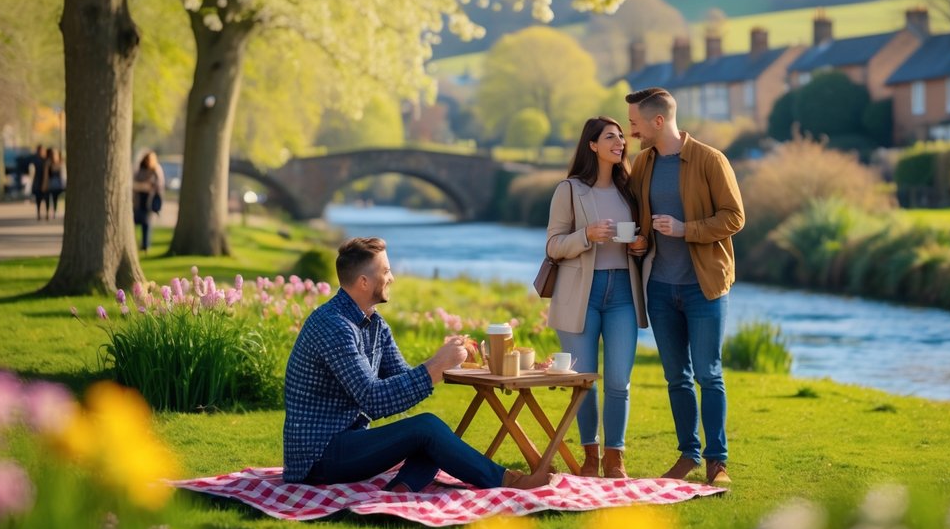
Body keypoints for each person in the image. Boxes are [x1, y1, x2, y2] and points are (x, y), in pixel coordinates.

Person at [282, 236, 553, 492]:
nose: (392, 277)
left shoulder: (375, 324)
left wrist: (450, 363)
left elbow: (404, 379)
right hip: (318, 455)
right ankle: (509, 481)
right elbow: (374, 399)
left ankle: (404, 487)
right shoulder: (334, 326)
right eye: (386, 271)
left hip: (347, 444)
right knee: (427, 428)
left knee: (432, 434)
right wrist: (434, 366)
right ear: (364, 282)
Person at [625, 87, 744, 485]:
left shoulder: (710, 160)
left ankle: (717, 461)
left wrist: (684, 230)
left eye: (635, 123)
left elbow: (734, 217)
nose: (631, 130)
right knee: (676, 377)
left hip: (703, 286)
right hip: (660, 287)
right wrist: (640, 240)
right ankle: (687, 455)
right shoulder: (642, 164)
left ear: (658, 121)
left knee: (708, 375)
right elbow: (640, 216)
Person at [544, 117, 647, 479]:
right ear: (592, 145)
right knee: (584, 379)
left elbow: (641, 244)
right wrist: (586, 234)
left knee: (619, 379)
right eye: (610, 137)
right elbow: (554, 246)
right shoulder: (569, 190)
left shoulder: (630, 189)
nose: (620, 142)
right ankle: (590, 457)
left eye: (621, 137)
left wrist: (639, 246)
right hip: (580, 295)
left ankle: (615, 458)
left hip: (622, 292)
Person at [132, 151, 164, 253]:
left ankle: (145, 246)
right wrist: (143, 186)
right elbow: (135, 183)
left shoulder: (156, 170)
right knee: (135, 221)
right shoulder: (140, 169)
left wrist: (147, 187)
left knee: (147, 223)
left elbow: (158, 185)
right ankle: (135, 244)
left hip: (149, 201)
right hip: (139, 199)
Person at [45, 149, 65, 219]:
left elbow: (61, 175)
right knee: (49, 198)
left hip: (57, 184)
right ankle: (48, 212)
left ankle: (54, 212)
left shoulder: (60, 163)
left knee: (55, 199)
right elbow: (46, 175)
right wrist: (45, 183)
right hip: (51, 183)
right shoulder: (48, 163)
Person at [30, 145, 47, 220]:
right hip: (38, 181)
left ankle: (42, 213)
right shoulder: (39, 160)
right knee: (39, 199)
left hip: (41, 181)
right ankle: (39, 213)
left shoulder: (43, 160)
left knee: (43, 198)